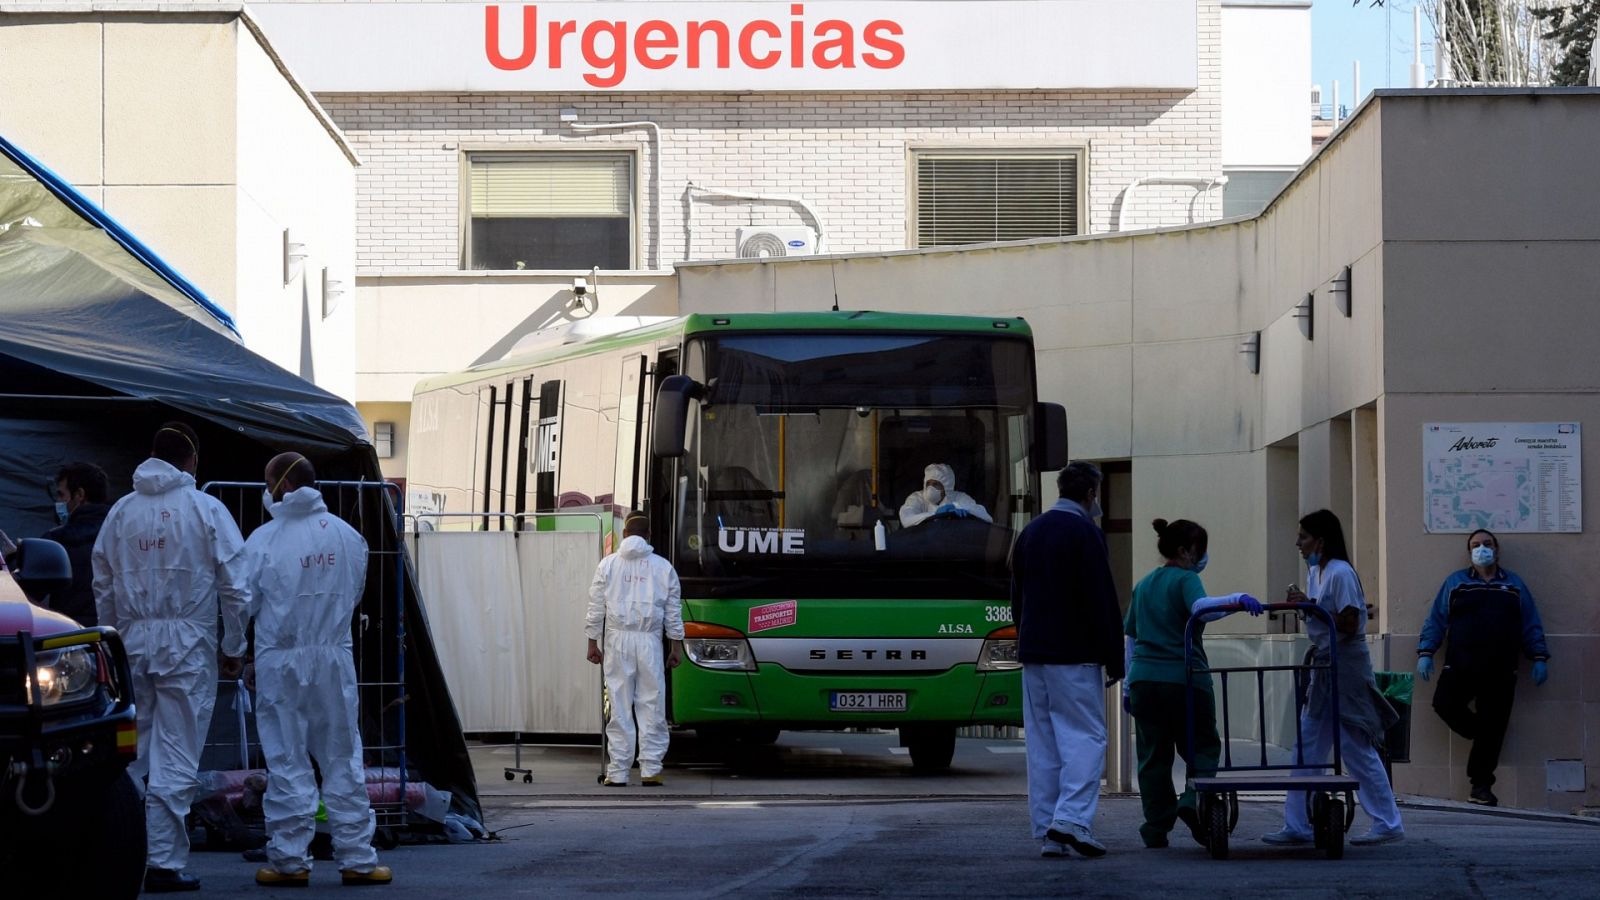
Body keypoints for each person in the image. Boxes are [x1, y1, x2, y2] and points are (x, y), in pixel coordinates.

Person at [92, 422, 250, 893]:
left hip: (131, 640)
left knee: (130, 751)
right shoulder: (206, 510)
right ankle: (162, 859)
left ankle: (120, 849)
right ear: (192, 461)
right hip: (187, 641)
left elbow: (102, 582)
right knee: (177, 749)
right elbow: (236, 588)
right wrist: (233, 647)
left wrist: (112, 643)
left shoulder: (121, 512)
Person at [244, 452, 392, 887]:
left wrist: (236, 649)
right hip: (333, 656)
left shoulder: (263, 540)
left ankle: (290, 861)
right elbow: (354, 595)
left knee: (287, 759)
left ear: (281, 487)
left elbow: (243, 604)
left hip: (280, 660)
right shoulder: (349, 538)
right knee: (342, 757)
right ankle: (358, 859)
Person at [1262, 509, 1404, 848]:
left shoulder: (1340, 574)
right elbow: (1324, 615)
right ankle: (1296, 823)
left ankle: (1387, 821)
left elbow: (1350, 623)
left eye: (1304, 536)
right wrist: (1309, 605)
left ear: (1321, 541)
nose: (1298, 542)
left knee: (1355, 746)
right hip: (1326, 664)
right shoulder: (1317, 572)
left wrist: (1310, 608)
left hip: (1345, 667)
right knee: (1307, 744)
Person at [1124, 518, 1263, 849]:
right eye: (1201, 551)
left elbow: (1129, 636)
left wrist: (1129, 685)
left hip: (1145, 680)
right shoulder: (1185, 580)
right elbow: (1201, 609)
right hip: (1186, 679)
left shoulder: (1143, 585)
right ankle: (1191, 802)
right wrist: (1237, 599)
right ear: (1185, 551)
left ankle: (1155, 828)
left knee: (1153, 757)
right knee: (1203, 746)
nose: (1203, 558)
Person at [1009, 461, 1123, 858]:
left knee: (1043, 744)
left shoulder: (1030, 532)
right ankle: (1071, 820)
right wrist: (1115, 655)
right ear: (1091, 493)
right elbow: (1101, 598)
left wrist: (1026, 641)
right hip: (1075, 654)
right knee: (1085, 737)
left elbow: (1016, 598)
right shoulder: (1085, 534)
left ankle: (1047, 829)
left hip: (1035, 653)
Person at [1416, 528, 1550, 807]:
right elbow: (1437, 618)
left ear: (1497, 549)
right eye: (1476, 545)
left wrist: (1538, 657)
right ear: (1469, 552)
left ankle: (1481, 787)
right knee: (1445, 704)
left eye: (1487, 544)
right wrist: (1426, 651)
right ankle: (1484, 733)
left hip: (1501, 669)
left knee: (1495, 722)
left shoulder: (1514, 585)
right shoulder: (1456, 583)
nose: (1482, 549)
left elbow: (1530, 621)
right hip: (1461, 665)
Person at [586, 513, 685, 787]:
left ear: (625, 534)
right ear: (649, 535)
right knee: (652, 704)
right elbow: (673, 613)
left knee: (618, 704)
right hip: (650, 641)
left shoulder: (607, 565)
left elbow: (595, 609)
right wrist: (675, 646)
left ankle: (617, 771)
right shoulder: (664, 568)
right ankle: (650, 769)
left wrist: (592, 643)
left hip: (616, 640)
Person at [0, 461, 113, 625]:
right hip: (118, 637)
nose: (58, 503)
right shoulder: (123, 533)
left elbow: (25, 594)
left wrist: (14, 560)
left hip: (70, 638)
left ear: (79, 495)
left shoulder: (58, 539)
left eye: (61, 495)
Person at [899, 463, 993, 528]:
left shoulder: (959, 498)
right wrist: (936, 514)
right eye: (928, 484)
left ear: (946, 486)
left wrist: (965, 510)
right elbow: (906, 518)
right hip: (923, 547)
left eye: (936, 484)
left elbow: (987, 518)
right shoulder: (917, 498)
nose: (930, 488)